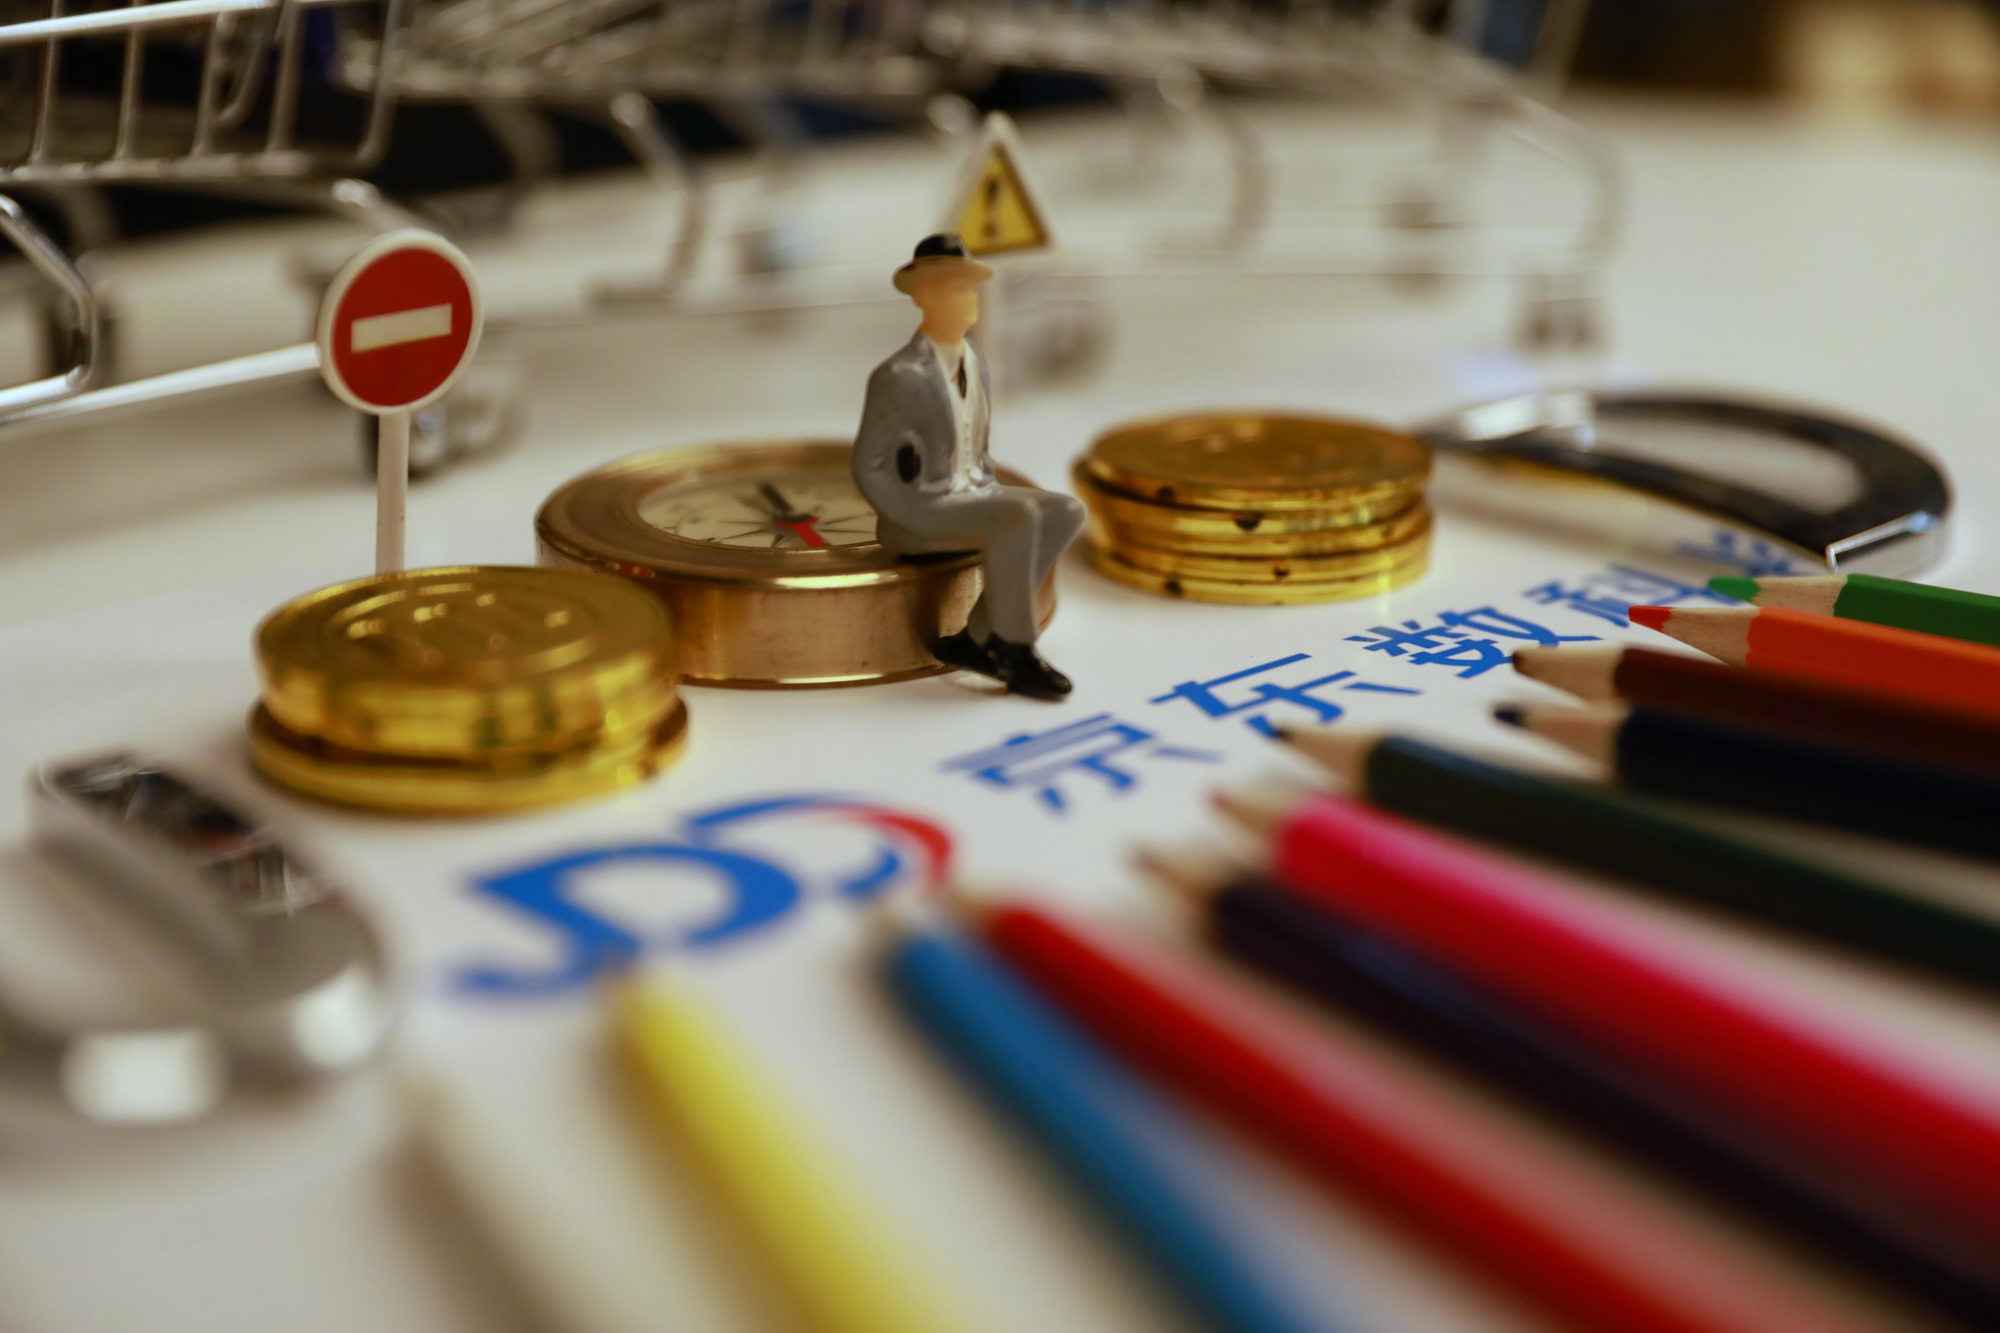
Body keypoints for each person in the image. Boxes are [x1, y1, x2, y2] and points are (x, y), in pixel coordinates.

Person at [852, 233, 1085, 701]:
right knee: (1017, 518)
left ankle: (976, 636)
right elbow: (869, 465)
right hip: (922, 512)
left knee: (1065, 511)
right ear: (922, 298)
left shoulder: (975, 362)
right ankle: (1014, 650)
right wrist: (909, 513)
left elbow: (972, 445)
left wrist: (986, 484)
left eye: (968, 288)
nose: (966, 299)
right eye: (951, 289)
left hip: (973, 492)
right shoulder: (899, 375)